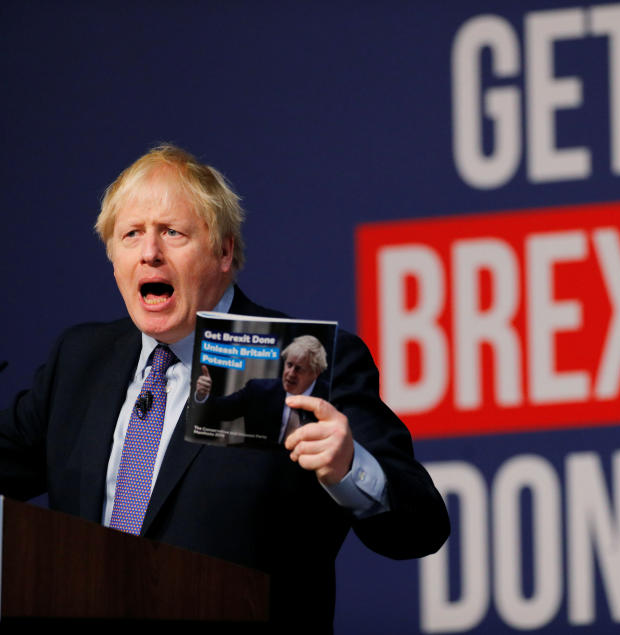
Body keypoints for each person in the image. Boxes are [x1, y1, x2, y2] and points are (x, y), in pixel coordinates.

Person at [0, 145, 449, 627]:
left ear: (223, 251)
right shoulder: (80, 361)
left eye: (172, 233)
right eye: (131, 235)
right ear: (113, 261)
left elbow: (421, 527)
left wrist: (349, 466)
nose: (150, 252)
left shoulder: (304, 360)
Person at [194, 335, 331, 444]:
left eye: (299, 369)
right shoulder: (259, 390)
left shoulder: (329, 398)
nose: (290, 373)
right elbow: (221, 410)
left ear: (315, 373)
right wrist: (202, 395)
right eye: (289, 365)